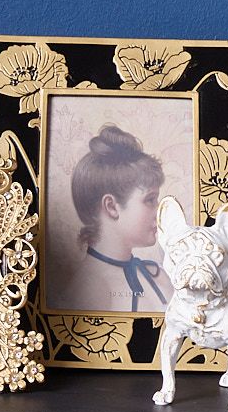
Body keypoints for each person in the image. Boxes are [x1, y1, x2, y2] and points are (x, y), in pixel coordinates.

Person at [57, 123, 172, 313]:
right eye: (150, 200)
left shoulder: (159, 275)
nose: (159, 210)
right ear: (111, 207)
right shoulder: (87, 291)